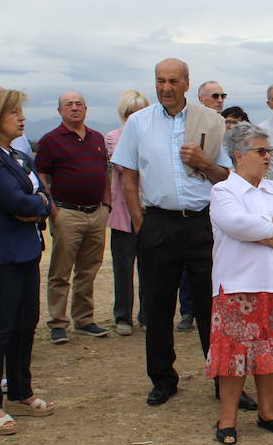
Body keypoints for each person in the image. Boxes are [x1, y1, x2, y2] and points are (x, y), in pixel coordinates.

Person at [112, 59, 230, 407]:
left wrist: (203, 162)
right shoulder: (139, 122)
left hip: (202, 223)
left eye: (173, 81)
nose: (165, 87)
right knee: (158, 305)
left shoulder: (211, 121)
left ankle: (223, 381)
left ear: (187, 84)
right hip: (158, 223)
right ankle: (163, 379)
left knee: (211, 306)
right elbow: (128, 176)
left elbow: (227, 177)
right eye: (160, 80)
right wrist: (139, 223)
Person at [206, 123, 273, 445]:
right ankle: (228, 418)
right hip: (238, 287)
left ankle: (267, 412)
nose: (268, 157)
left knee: (269, 350)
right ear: (239, 155)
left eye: (270, 151)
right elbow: (237, 224)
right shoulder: (224, 191)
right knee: (233, 355)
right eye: (261, 151)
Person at [0, 89, 58, 435]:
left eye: (21, 111)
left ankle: (21, 390)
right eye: (14, 113)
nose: (22, 118)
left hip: (26, 251)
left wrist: (35, 205)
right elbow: (18, 203)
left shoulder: (18, 156)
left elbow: (43, 198)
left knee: (25, 323)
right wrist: (33, 205)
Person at [35, 91, 110, 344]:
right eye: (69, 104)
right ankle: (58, 323)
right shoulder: (50, 140)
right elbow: (42, 176)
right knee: (61, 271)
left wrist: (107, 206)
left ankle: (84, 319)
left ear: (86, 109)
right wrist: (53, 210)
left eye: (79, 104)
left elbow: (104, 172)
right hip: (66, 213)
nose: (75, 108)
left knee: (88, 270)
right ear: (60, 111)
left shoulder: (97, 138)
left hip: (96, 213)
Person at [105, 91, 149, 337]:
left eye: (140, 111)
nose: (135, 116)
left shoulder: (153, 136)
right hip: (124, 213)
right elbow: (124, 164)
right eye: (130, 112)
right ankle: (122, 316)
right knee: (123, 267)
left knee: (150, 267)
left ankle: (147, 315)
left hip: (151, 211)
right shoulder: (113, 137)